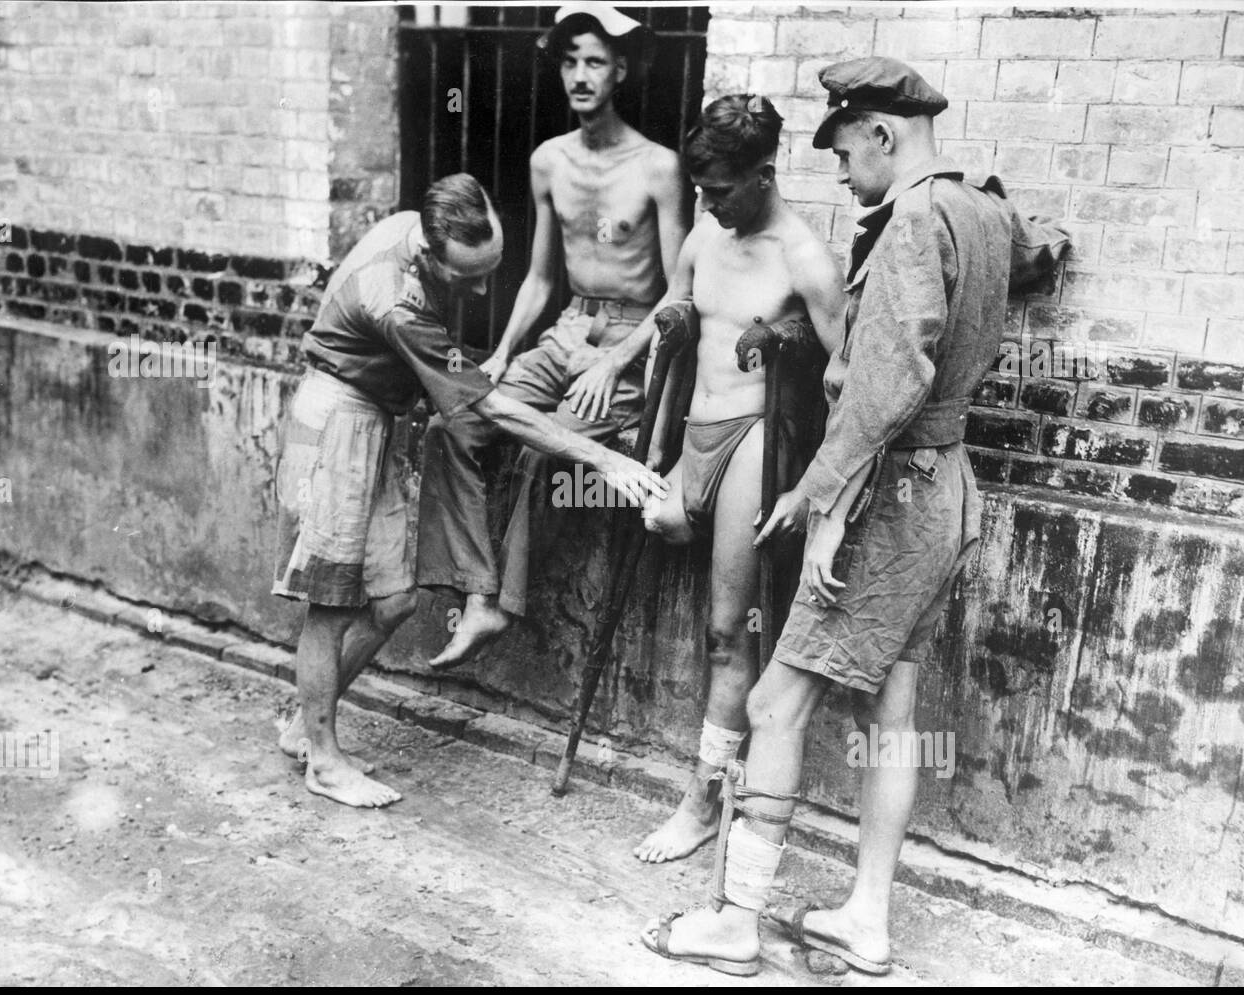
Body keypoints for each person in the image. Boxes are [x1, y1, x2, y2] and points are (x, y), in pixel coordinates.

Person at [642, 58, 1069, 975]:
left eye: (845, 151)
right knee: (895, 712)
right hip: (948, 487)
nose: (840, 173)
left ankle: (735, 919)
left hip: (891, 489)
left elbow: (888, 383)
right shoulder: (982, 210)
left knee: (773, 698)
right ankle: (865, 918)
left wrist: (823, 497)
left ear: (883, 133)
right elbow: (1039, 251)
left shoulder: (915, 220)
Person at [272, 173, 667, 809]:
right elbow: (489, 410)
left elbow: (466, 383)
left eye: (492, 270)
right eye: (470, 277)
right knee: (332, 601)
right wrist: (598, 455)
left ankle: (303, 725)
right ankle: (322, 757)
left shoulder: (420, 224)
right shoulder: (395, 300)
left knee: (393, 603)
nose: (483, 289)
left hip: (377, 416)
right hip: (340, 421)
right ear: (430, 251)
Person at [416, 4, 688, 668]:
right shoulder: (548, 161)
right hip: (566, 329)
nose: (580, 75)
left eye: (595, 61)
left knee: (543, 454)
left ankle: (496, 609)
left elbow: (681, 293)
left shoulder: (659, 167)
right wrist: (505, 353)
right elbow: (539, 277)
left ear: (620, 69)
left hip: (628, 341)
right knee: (454, 425)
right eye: (569, 62)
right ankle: (473, 588)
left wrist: (618, 359)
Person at [631, 94, 844, 864]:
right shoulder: (703, 235)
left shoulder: (804, 256)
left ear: (763, 173)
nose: (707, 203)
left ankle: (700, 800)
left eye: (720, 189)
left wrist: (790, 337)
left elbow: (846, 378)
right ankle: (715, 780)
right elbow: (672, 320)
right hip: (693, 430)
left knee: (730, 629)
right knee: (664, 531)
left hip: (758, 438)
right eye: (699, 188)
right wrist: (670, 332)